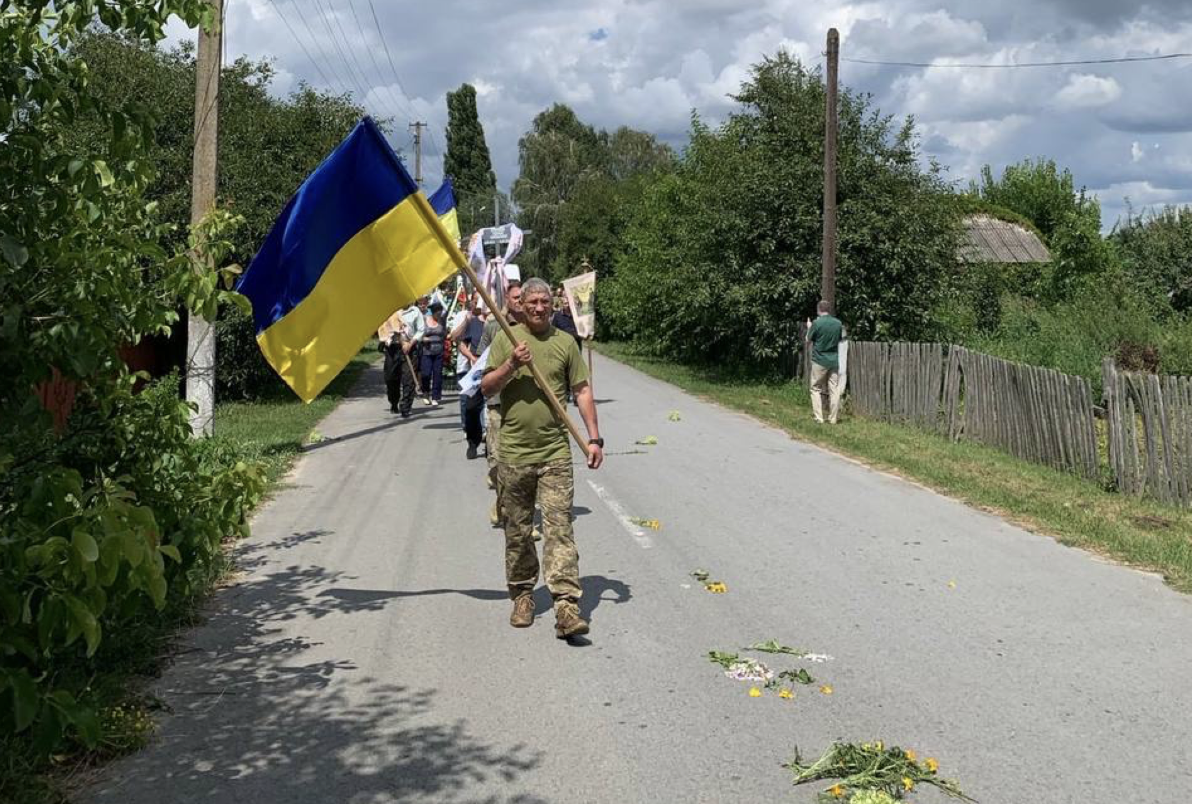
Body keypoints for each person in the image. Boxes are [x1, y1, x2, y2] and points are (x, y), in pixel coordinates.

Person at [481, 277, 604, 639]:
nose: (537, 307)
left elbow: (581, 390)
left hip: (555, 453)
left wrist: (594, 438)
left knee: (559, 529)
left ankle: (566, 605)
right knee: (517, 531)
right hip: (514, 454)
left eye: (543, 302)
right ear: (522, 305)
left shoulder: (565, 343)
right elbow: (486, 386)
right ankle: (522, 595)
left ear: (552, 304)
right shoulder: (506, 337)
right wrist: (511, 366)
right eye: (531, 301)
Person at [479, 281, 522, 526]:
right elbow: (481, 358)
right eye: (515, 297)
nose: (518, 301)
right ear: (507, 298)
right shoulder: (494, 326)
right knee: (499, 462)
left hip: (523, 403)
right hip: (497, 403)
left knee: (522, 464)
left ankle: (515, 516)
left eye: (521, 297)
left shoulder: (533, 327)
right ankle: (501, 506)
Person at [450, 294, 487, 458]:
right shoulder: (473, 322)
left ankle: (489, 443)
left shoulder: (497, 321)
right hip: (475, 372)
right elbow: (461, 344)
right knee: (472, 407)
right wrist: (473, 359)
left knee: (489, 408)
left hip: (493, 371)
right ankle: (473, 440)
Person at [806, 300, 844, 424]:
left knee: (815, 388)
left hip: (819, 360)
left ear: (819, 310)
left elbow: (808, 339)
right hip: (833, 360)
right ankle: (833, 418)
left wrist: (809, 327)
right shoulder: (838, 323)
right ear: (829, 310)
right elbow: (840, 339)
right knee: (834, 389)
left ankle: (819, 417)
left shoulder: (816, 323)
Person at [420, 301, 447, 406]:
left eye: (440, 312)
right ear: (433, 312)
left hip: (439, 351)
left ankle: (435, 396)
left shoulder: (442, 321)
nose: (439, 315)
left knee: (437, 374)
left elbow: (444, 333)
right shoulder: (424, 319)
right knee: (426, 374)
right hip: (427, 351)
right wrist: (423, 338)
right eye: (438, 313)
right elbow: (419, 333)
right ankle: (426, 394)